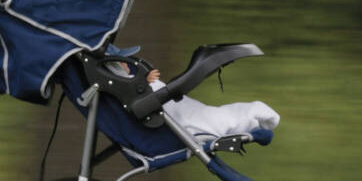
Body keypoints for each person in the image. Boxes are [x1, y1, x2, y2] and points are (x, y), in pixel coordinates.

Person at [103, 59, 281, 139]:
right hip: (177, 121)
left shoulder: (130, 86)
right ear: (114, 69)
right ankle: (249, 117)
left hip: (172, 108)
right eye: (123, 63)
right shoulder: (128, 89)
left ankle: (249, 115)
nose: (128, 63)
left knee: (203, 112)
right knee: (208, 118)